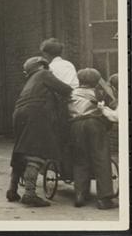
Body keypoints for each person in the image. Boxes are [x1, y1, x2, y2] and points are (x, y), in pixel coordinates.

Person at [7, 56, 73, 207]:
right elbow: (65, 89)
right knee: (35, 152)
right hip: (35, 113)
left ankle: (12, 190)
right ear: (41, 66)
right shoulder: (43, 74)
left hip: (19, 113)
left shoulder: (30, 81)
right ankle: (29, 194)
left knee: (20, 151)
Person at [68, 68, 116, 210]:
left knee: (80, 159)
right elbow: (109, 109)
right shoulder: (98, 93)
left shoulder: (71, 93)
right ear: (95, 81)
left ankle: (80, 196)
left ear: (79, 80)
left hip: (75, 125)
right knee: (101, 159)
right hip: (94, 124)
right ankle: (104, 199)